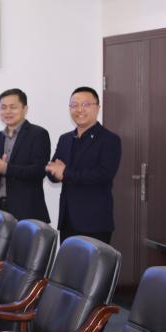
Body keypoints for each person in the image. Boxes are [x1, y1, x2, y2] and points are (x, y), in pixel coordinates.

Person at [46, 86, 121, 243]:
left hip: (94, 222)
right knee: (68, 259)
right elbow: (53, 170)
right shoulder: (65, 139)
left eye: (86, 104)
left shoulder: (109, 139)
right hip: (67, 219)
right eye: (74, 105)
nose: (79, 109)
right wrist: (54, 173)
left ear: (98, 108)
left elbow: (103, 174)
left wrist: (65, 173)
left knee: (94, 260)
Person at [0, 88, 51, 222]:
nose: (7, 111)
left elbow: (39, 171)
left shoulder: (38, 134)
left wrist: (6, 168)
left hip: (27, 210)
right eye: (3, 107)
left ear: (25, 109)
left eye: (13, 107)